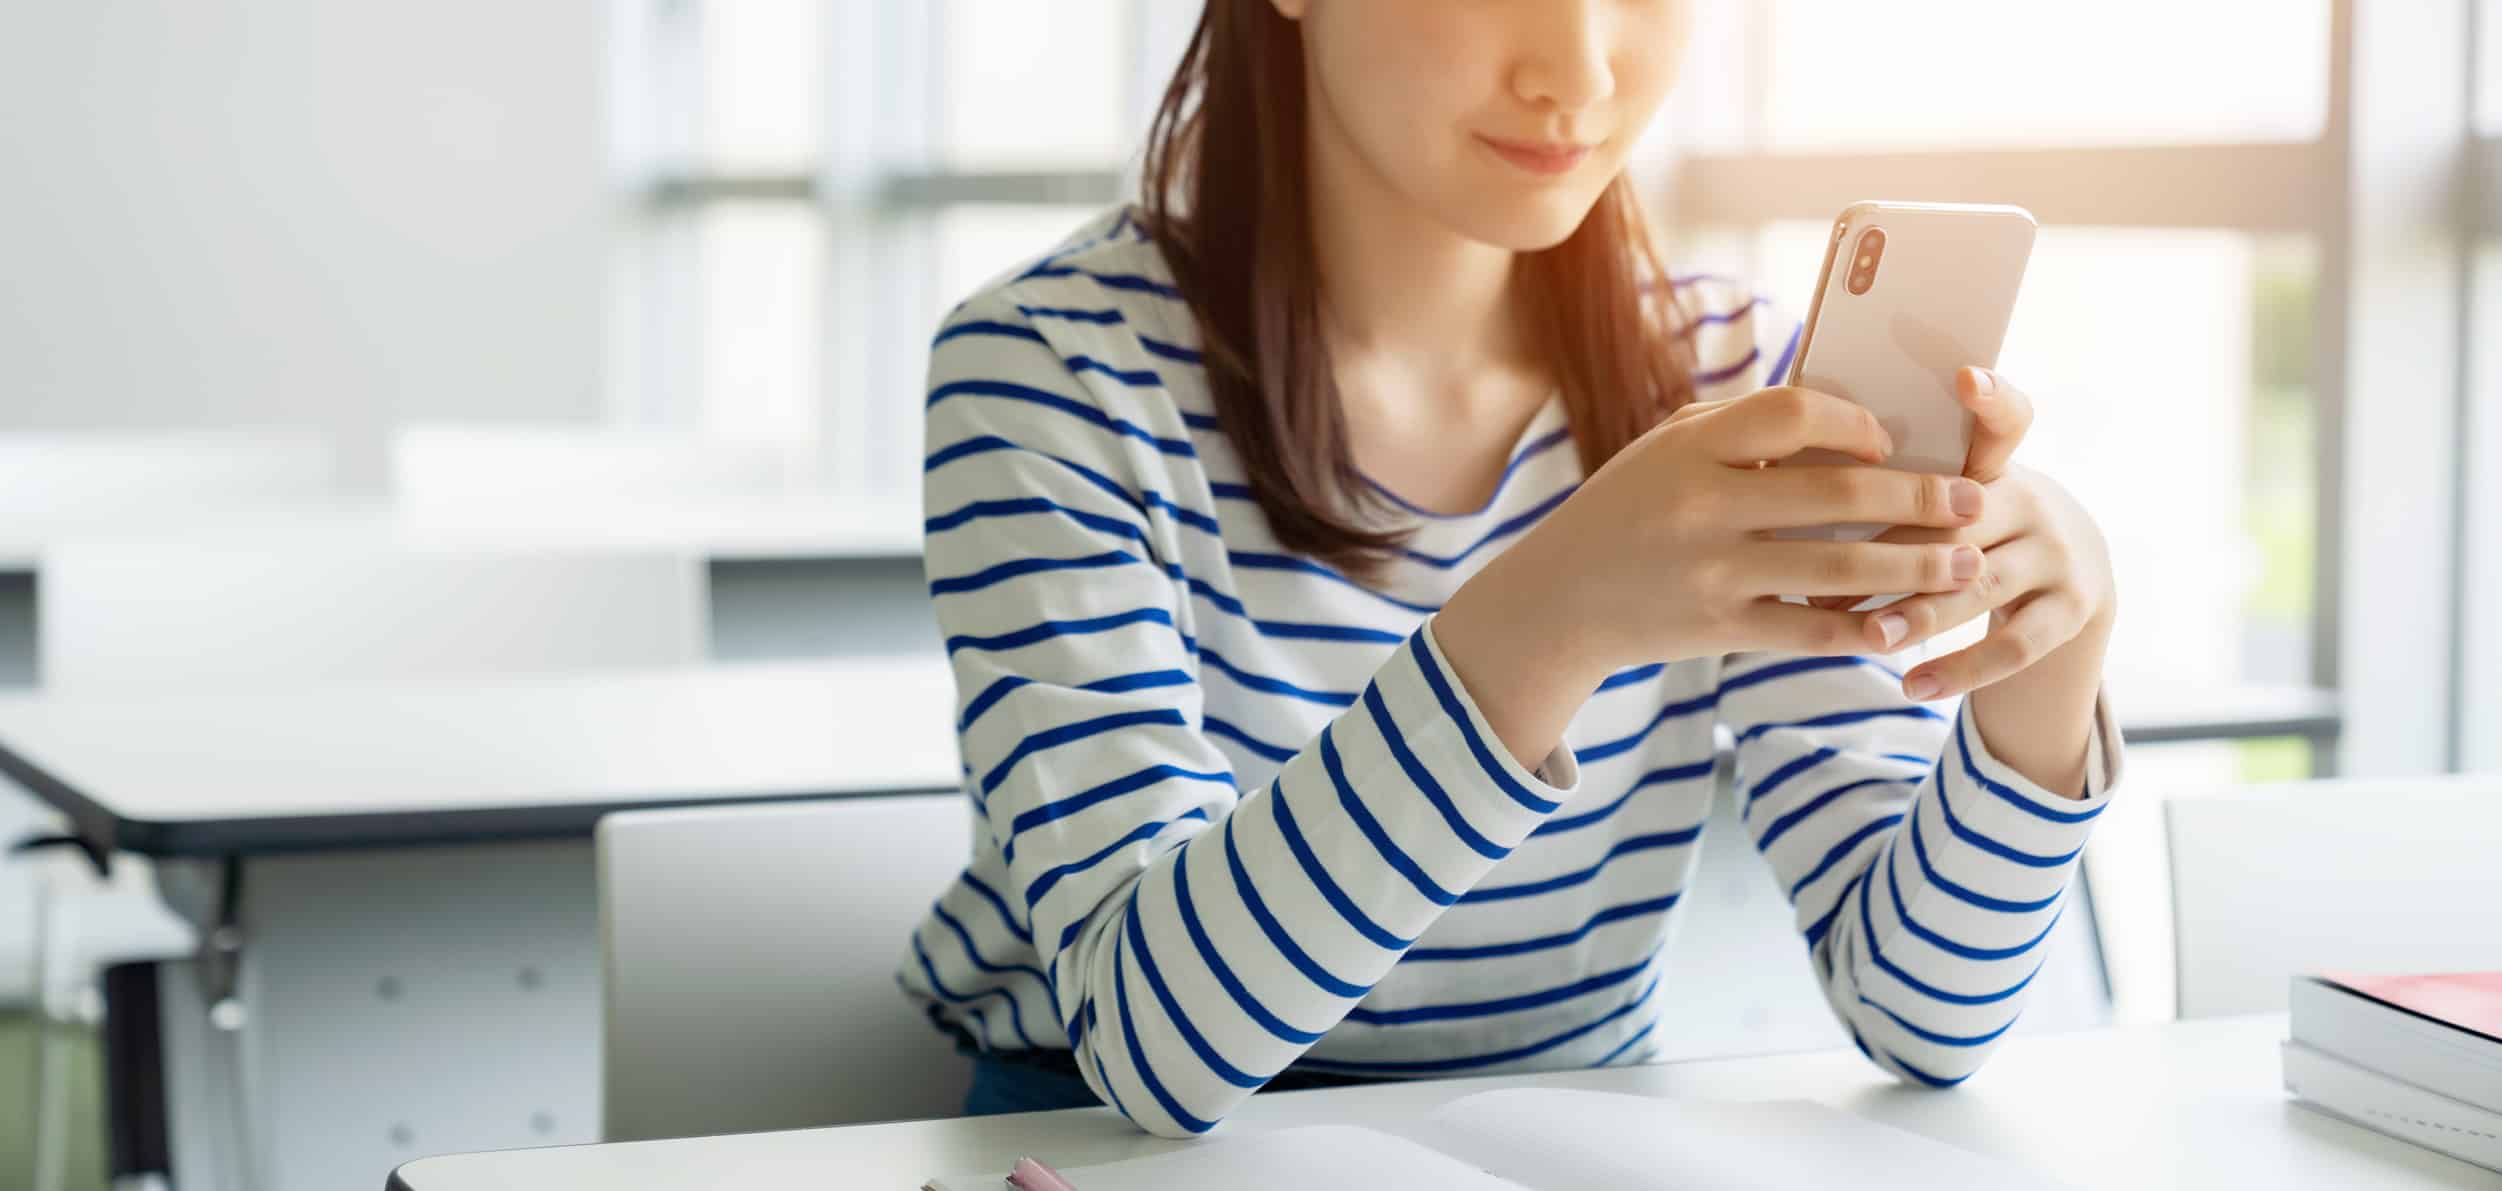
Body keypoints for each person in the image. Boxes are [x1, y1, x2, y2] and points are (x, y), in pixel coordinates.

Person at [898, 0, 2121, 1138]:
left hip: (1562, 1136)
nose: (1579, 72)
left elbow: (1922, 1014)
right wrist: (1556, 616)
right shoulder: (1048, 373)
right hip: (1098, 1144)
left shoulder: (1734, 374)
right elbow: (1157, 1043)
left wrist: (2044, 675)